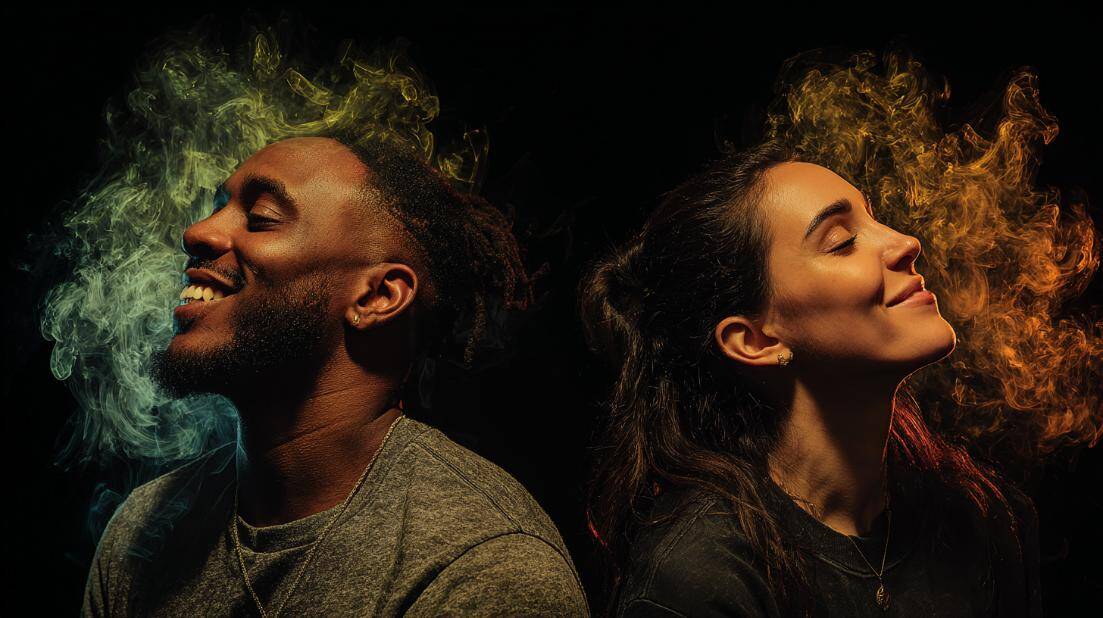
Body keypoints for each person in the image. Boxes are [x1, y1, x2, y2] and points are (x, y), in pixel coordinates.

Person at [81, 132, 588, 616]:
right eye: (217, 207)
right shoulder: (146, 530)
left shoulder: (483, 567)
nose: (198, 232)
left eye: (260, 218)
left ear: (377, 296)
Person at [580, 142, 1041, 617]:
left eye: (875, 218)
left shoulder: (981, 519)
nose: (906, 242)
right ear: (756, 340)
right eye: (841, 241)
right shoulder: (700, 578)